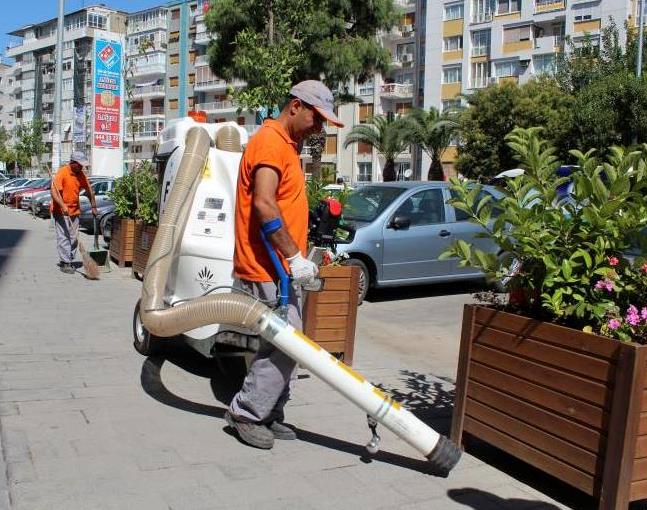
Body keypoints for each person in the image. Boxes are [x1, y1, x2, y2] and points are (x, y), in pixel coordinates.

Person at [226, 80, 344, 449]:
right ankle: (246, 412)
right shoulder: (270, 142)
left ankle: (270, 410)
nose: (319, 127)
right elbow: (263, 203)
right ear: (295, 106)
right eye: (316, 117)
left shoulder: (285, 145)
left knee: (289, 343)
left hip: (282, 269)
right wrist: (293, 256)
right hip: (268, 267)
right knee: (284, 343)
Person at [50, 152, 97, 274]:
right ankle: (65, 262)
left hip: (75, 211)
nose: (82, 167)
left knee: (74, 237)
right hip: (60, 211)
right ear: (73, 163)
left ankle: (69, 259)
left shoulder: (80, 174)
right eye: (80, 165)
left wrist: (94, 206)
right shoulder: (62, 172)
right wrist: (62, 205)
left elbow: (89, 190)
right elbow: (54, 192)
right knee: (64, 237)